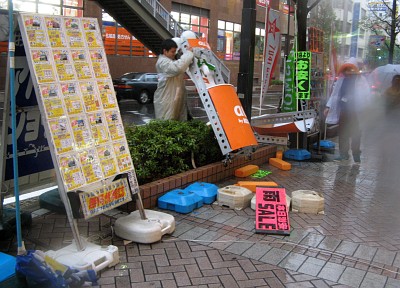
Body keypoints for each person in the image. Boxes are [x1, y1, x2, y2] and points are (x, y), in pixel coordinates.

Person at [324, 58, 371, 163]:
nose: (348, 72)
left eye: (350, 69)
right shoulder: (341, 79)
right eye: (346, 70)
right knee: (343, 132)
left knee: (356, 132)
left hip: (356, 111)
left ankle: (356, 153)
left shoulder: (361, 80)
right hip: (344, 110)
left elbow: (366, 95)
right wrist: (328, 107)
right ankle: (343, 154)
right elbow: (335, 95)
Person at [153, 38, 194, 121]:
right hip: (166, 101)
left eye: (175, 51)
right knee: (167, 124)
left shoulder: (170, 61)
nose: (174, 53)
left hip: (172, 99)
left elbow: (180, 65)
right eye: (172, 51)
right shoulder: (162, 62)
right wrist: (188, 54)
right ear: (165, 51)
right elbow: (177, 68)